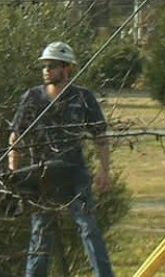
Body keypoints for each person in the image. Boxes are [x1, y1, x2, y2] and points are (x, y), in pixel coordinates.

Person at [9, 41, 115, 277]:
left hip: (74, 173)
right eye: (44, 65)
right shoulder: (32, 98)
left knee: (88, 227)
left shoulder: (83, 97)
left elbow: (100, 135)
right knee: (40, 233)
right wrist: (13, 174)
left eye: (52, 65)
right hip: (42, 175)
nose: (46, 70)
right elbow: (16, 136)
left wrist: (104, 170)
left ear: (67, 68)